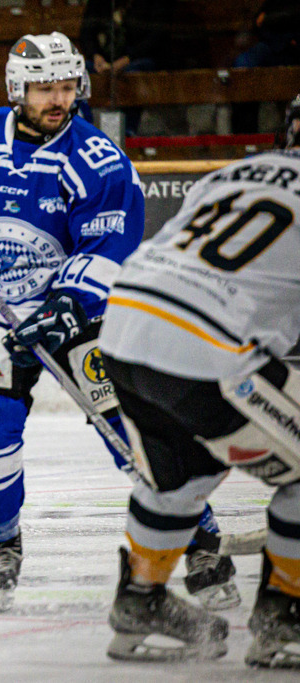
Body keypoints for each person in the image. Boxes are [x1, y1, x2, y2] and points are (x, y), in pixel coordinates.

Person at [0, 32, 239, 610]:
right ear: (16, 89)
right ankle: (0, 544)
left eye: (64, 87)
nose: (55, 99)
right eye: (41, 88)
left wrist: (69, 305)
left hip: (80, 316)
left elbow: (109, 244)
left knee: (132, 434)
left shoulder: (97, 159)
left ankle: (200, 538)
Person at [97, 96, 300, 666]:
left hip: (123, 331)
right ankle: (286, 618)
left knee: (184, 471)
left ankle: (141, 602)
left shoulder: (232, 172)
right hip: (204, 350)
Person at [78, 0, 172, 137]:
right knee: (79, 72)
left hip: (137, 59)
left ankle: (129, 130)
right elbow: (86, 32)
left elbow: (156, 37)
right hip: (103, 62)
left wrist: (127, 59)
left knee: (134, 74)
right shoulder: (99, 3)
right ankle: (84, 129)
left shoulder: (154, 5)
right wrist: (96, 56)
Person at [230, 0, 300, 134]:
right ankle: (245, 134)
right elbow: (258, 22)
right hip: (273, 45)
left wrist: (270, 20)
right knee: (242, 65)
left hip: (293, 49)